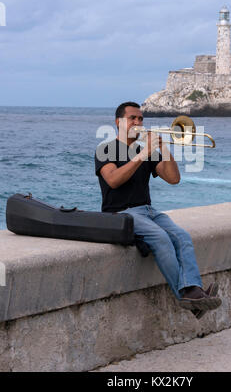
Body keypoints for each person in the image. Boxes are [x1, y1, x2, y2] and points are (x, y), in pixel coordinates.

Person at [95, 101, 222, 319]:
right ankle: (187, 295)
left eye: (141, 118)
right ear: (119, 122)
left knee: (181, 237)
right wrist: (143, 154)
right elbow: (113, 180)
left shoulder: (147, 151)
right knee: (160, 238)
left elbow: (173, 178)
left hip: (148, 210)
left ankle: (193, 293)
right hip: (120, 213)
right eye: (133, 118)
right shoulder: (105, 149)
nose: (138, 122)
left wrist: (163, 148)